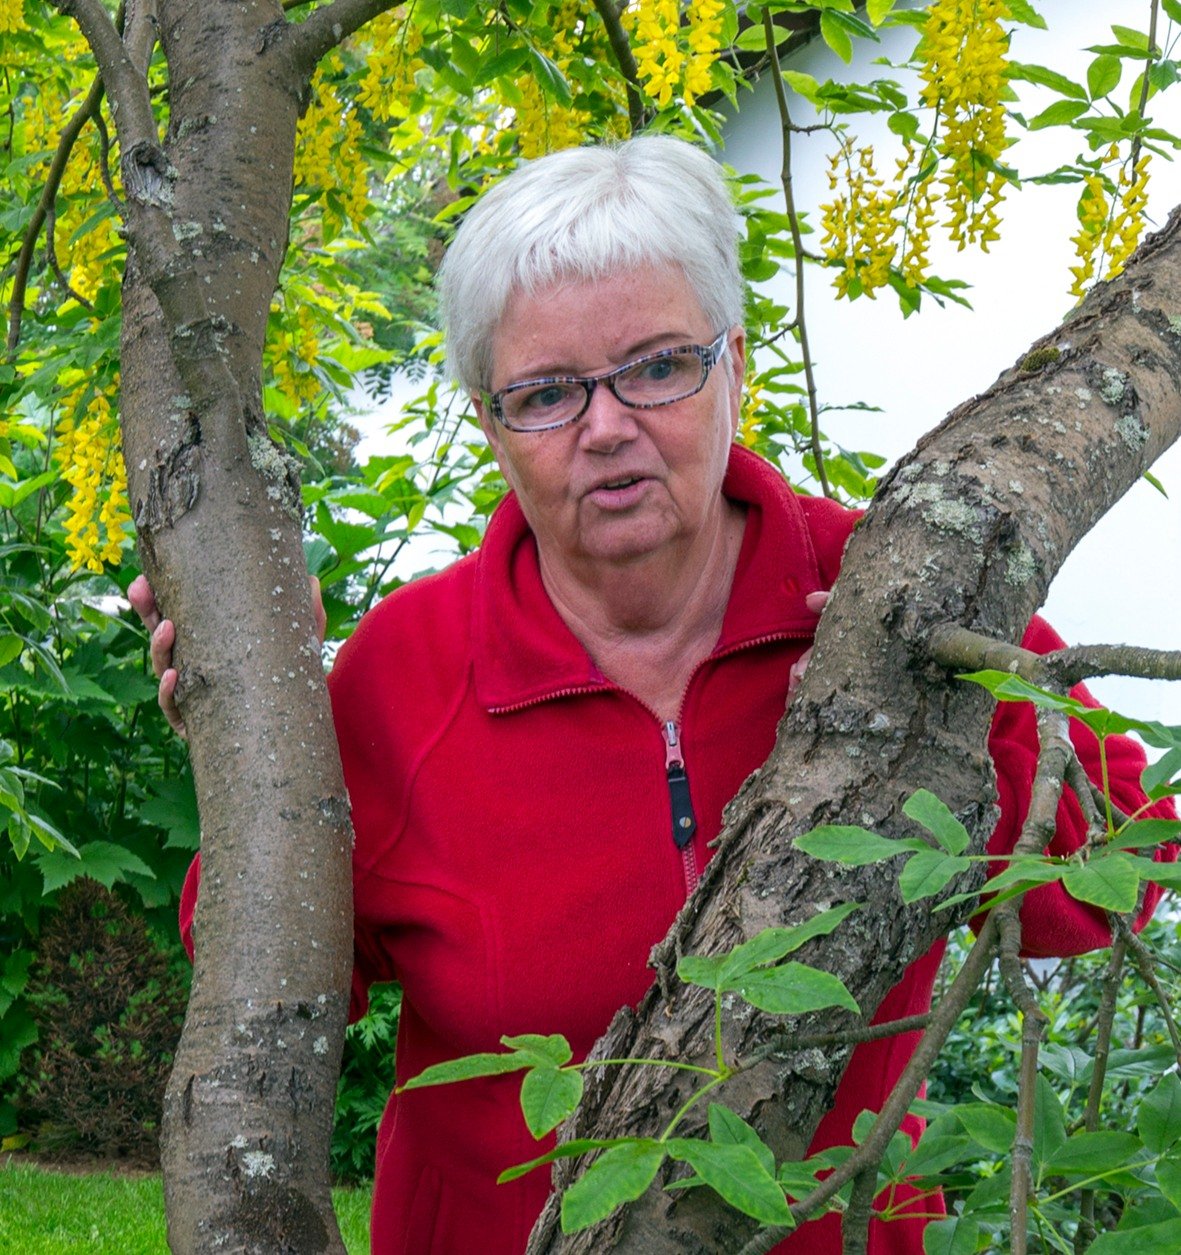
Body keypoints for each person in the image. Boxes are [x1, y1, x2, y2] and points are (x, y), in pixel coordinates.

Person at [131, 136, 1173, 1254]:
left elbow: (1092, 895)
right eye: (545, 392)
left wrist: (968, 691)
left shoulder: (888, 593)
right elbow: (268, 974)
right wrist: (249, 730)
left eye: (657, 366)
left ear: (735, 364)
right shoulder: (408, 671)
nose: (608, 426)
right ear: (488, 424)